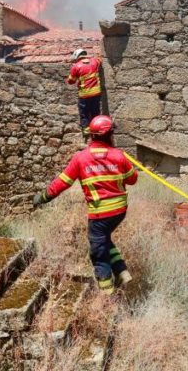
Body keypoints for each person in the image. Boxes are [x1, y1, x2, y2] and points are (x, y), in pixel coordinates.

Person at [33, 115, 137, 294]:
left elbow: (62, 182)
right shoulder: (119, 156)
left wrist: (43, 197)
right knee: (103, 238)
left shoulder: (81, 158)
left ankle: (106, 294)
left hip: (100, 214)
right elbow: (133, 179)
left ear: (92, 136)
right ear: (110, 135)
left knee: (97, 253)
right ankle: (121, 271)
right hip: (119, 211)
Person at [66, 48, 103, 136]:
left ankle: (86, 130)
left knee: (84, 112)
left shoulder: (76, 66)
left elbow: (71, 81)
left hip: (84, 95)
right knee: (95, 111)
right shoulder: (95, 61)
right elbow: (100, 59)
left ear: (77, 57)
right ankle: (96, 128)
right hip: (96, 92)